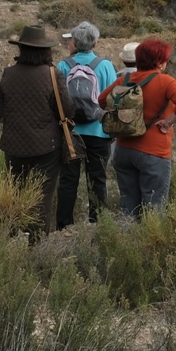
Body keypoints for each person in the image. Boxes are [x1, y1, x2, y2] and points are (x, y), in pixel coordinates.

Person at [0, 25, 77, 241]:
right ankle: (36, 244)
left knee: (14, 193)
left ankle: (8, 237)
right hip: (46, 147)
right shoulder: (53, 74)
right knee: (42, 197)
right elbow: (67, 110)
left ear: (21, 49)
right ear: (46, 51)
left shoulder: (8, 74)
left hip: (13, 146)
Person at [103, 38, 176, 218]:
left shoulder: (125, 79)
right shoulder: (166, 82)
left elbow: (101, 100)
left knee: (129, 210)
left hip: (123, 150)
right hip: (154, 152)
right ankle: (148, 245)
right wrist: (169, 121)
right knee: (154, 211)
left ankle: (126, 243)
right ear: (160, 62)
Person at [56, 22, 114, 226]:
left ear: (74, 42)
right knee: (97, 179)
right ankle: (97, 224)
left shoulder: (63, 66)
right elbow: (112, 100)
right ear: (95, 43)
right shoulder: (105, 66)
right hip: (98, 132)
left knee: (68, 179)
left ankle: (64, 224)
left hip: (71, 132)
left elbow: (57, 99)